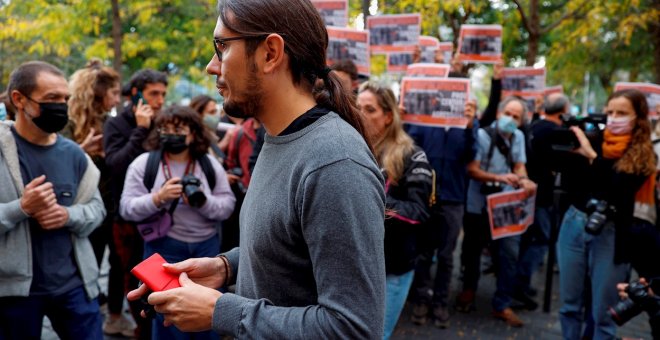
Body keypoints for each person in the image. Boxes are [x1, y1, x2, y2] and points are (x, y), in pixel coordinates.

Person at [128, 0, 386, 338]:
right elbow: (291, 244)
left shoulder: (334, 162)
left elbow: (353, 328)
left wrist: (221, 311)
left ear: (270, 53)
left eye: (221, 46)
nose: (211, 66)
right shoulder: (278, 137)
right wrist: (225, 267)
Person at [0, 61, 106, 339]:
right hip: (14, 293)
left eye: (65, 99)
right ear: (19, 99)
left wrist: (67, 216)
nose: (61, 106)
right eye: (51, 99)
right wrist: (20, 208)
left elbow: (97, 209)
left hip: (75, 287)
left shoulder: (74, 154)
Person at [121, 105, 235, 340]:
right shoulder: (144, 164)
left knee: (208, 319)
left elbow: (227, 206)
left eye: (179, 129)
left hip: (207, 251)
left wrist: (202, 202)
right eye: (165, 128)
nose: (171, 134)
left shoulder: (208, 164)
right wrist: (157, 198)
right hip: (163, 250)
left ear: (193, 133)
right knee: (168, 320)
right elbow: (127, 209)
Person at [557, 89, 657, 339]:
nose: (613, 118)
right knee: (569, 306)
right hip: (575, 222)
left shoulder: (643, 154)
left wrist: (591, 156)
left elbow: (619, 187)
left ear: (638, 118)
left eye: (622, 113)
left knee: (604, 314)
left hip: (613, 233)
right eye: (610, 111)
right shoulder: (593, 138)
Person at [60, 59, 136, 337]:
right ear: (95, 93)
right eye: (114, 93)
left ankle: (110, 314)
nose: (118, 98)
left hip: (110, 205)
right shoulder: (67, 122)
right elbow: (57, 163)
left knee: (115, 262)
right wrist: (84, 151)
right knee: (84, 262)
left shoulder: (110, 123)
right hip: (80, 208)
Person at [357, 81, 433, 339]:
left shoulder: (412, 155)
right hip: (355, 264)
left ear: (388, 116)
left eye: (370, 109)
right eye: (357, 107)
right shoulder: (350, 146)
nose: (361, 114)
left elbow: (419, 211)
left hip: (393, 268)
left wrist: (376, 202)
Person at [456, 96, 537, 327]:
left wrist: (524, 180)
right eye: (508, 114)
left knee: (509, 253)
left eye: (516, 117)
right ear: (499, 113)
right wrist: (499, 177)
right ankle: (468, 290)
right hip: (478, 203)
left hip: (505, 205)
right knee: (472, 249)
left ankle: (502, 303)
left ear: (521, 122)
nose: (511, 119)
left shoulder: (518, 137)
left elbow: (519, 164)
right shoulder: (482, 135)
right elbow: (472, 170)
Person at [103, 68, 168, 340]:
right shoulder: (116, 124)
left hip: (158, 213)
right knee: (130, 271)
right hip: (126, 216)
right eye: (154, 93)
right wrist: (140, 130)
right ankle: (140, 328)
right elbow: (116, 165)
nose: (160, 100)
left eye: (163, 94)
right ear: (135, 94)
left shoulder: (161, 119)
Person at [512, 93, 570, 309]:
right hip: (542, 195)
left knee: (529, 239)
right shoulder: (554, 132)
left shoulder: (535, 127)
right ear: (563, 111)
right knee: (540, 239)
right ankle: (521, 283)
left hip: (531, 193)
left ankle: (519, 282)